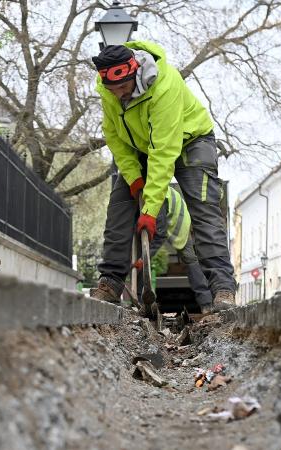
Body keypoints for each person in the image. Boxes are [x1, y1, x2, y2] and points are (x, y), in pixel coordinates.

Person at [88, 42, 235, 313]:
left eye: (123, 87)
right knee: (119, 206)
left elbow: (164, 152)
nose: (119, 94)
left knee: (204, 212)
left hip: (191, 140)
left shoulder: (164, 86)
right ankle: (110, 283)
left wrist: (150, 210)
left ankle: (223, 290)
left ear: (135, 73)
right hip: (143, 147)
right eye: (113, 89)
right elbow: (114, 136)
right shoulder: (108, 90)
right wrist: (134, 179)